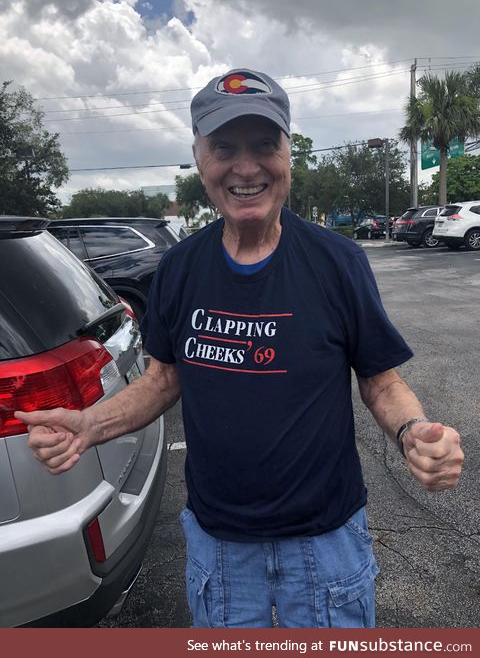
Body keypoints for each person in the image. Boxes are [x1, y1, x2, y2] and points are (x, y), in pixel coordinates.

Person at [15, 68, 464, 629]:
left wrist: (412, 433)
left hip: (324, 542)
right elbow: (163, 379)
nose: (246, 167)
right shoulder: (180, 268)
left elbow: (380, 380)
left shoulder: (337, 262)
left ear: (288, 156)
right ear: (200, 158)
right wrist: (88, 425)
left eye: (264, 145)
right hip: (220, 547)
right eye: (225, 146)